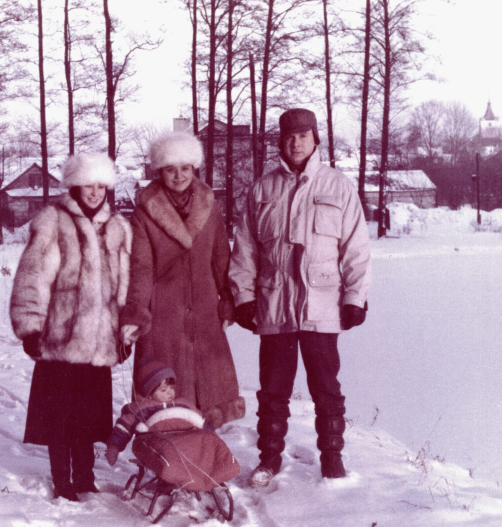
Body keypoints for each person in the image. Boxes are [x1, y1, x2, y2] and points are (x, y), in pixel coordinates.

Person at [229, 108, 371, 485]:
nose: (296, 144)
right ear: (281, 142)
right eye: (289, 137)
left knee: (326, 390)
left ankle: (332, 461)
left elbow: (356, 248)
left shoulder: (338, 186)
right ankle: (269, 460)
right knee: (273, 391)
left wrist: (354, 297)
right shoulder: (262, 189)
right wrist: (244, 297)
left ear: (315, 140)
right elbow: (245, 250)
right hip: (274, 305)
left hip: (322, 307)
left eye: (303, 136)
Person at [9, 152, 132, 502]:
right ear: (74, 187)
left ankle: (85, 477)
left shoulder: (118, 228)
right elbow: (33, 276)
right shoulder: (53, 221)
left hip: (99, 344)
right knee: (60, 418)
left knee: (89, 418)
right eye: (87, 186)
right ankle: (62, 480)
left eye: (100, 187)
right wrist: (31, 327)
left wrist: (124, 332)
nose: (94, 193)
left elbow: (124, 285)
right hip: (60, 339)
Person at [120, 131, 245, 429]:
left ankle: (205, 446)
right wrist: (137, 314)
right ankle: (169, 446)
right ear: (159, 171)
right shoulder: (144, 214)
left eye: (185, 168)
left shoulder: (209, 206)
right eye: (170, 169)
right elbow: (141, 269)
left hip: (204, 310)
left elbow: (221, 257)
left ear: (194, 168)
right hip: (164, 315)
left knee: (210, 388)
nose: (179, 176)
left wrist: (227, 299)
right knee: (165, 391)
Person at [105, 358, 240, 493]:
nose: (170, 393)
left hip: (186, 440)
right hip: (156, 440)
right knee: (169, 451)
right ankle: (175, 478)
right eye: (163, 390)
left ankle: (218, 469)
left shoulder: (184, 404)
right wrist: (114, 447)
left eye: (172, 388)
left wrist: (213, 438)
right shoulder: (140, 408)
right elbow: (123, 427)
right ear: (149, 393)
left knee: (208, 439)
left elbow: (203, 422)